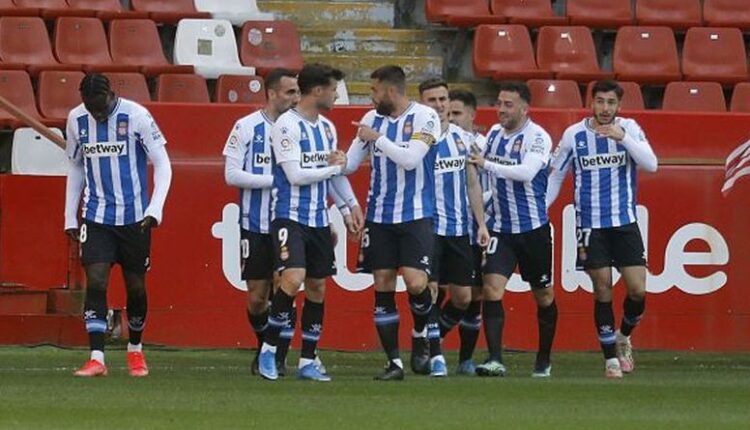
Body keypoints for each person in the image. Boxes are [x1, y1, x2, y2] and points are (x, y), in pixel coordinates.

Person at [257, 63, 361, 382]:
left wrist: (350, 206)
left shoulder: (327, 127)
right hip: (289, 215)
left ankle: (308, 360)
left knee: (317, 287)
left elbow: (333, 174)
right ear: (317, 91)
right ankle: (269, 352)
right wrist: (334, 169)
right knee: (292, 278)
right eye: (333, 89)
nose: (335, 95)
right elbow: (296, 175)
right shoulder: (287, 126)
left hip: (318, 219)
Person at [546, 80, 657, 378]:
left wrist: (624, 139)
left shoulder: (629, 129)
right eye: (600, 101)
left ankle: (624, 336)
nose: (605, 108)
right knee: (602, 287)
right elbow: (556, 176)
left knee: (637, 289)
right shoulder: (574, 135)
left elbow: (651, 164)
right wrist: (540, 208)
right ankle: (610, 359)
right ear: (591, 103)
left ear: (618, 106)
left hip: (624, 222)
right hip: (589, 224)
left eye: (611, 102)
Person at [64, 73, 172, 377]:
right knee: (96, 281)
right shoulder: (76, 119)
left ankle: (135, 350)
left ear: (112, 94)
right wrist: (69, 215)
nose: (97, 114)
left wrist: (156, 208)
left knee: (136, 287)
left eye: (101, 107)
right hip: (97, 216)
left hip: (136, 218)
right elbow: (75, 165)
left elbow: (162, 163)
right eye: (91, 108)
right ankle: (96, 357)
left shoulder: (137, 116)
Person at [345, 65, 441, 381]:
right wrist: (336, 160)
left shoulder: (426, 117)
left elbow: (411, 160)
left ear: (390, 91)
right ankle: (394, 363)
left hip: (416, 215)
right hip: (380, 217)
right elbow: (350, 163)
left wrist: (379, 140)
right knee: (383, 283)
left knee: (416, 283)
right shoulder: (371, 120)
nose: (371, 97)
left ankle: (419, 333)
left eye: (374, 90)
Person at [467, 81, 558, 378]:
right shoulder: (493, 134)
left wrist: (486, 164)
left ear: (524, 108)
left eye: (508, 105)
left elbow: (526, 173)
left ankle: (543, 360)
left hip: (533, 229)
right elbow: (471, 151)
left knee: (543, 295)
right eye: (499, 103)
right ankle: (495, 359)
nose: (501, 110)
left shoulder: (537, 138)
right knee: (492, 289)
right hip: (500, 230)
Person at [222, 68, 301, 376]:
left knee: (286, 287)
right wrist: (277, 179)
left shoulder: (300, 128)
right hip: (254, 222)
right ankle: (263, 344)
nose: (295, 98)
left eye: (297, 92)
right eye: (289, 92)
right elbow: (231, 175)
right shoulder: (246, 127)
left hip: (290, 221)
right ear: (271, 93)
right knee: (257, 297)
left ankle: (277, 356)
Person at [418, 79, 489, 377]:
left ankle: (426, 338)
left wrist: (481, 224)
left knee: (462, 297)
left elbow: (472, 182)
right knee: (431, 290)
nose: (439, 104)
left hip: (460, 229)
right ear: (422, 103)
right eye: (432, 99)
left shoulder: (462, 138)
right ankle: (436, 357)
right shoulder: (418, 141)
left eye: (443, 98)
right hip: (430, 227)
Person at [443, 88, 490, 374]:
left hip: (476, 229)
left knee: (475, 295)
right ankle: (430, 344)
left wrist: (482, 215)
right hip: (448, 227)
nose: (453, 118)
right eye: (450, 113)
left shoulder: (483, 146)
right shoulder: (439, 141)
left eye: (457, 113)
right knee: (437, 289)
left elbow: (492, 185)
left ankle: (465, 359)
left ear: (472, 115)